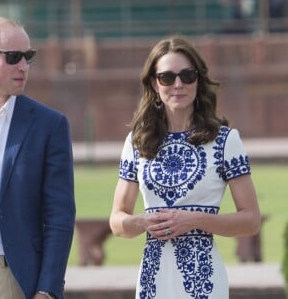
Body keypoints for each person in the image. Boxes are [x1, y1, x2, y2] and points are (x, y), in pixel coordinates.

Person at [109, 35, 261, 299]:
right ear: (155, 84)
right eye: (167, 77)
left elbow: (251, 220)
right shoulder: (137, 142)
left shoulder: (225, 141)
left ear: (198, 80)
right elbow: (117, 220)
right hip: (152, 282)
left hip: (205, 283)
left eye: (187, 75)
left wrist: (194, 220)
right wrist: (142, 221)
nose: (177, 84)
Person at [0, 17, 75, 299]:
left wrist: (47, 289)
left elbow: (59, 215)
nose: (23, 66)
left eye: (28, 57)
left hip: (10, 279)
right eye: (13, 57)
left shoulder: (49, 125)